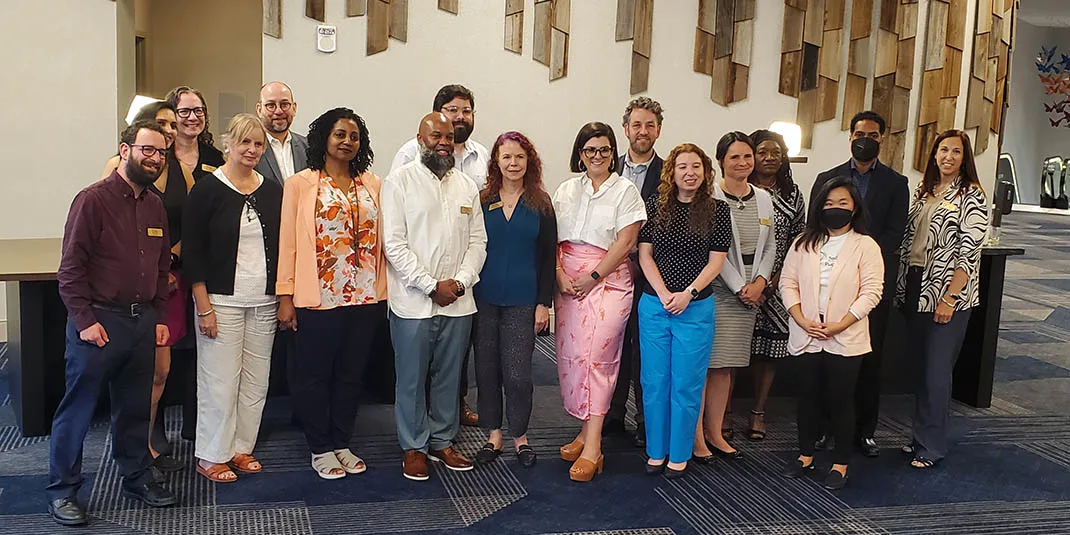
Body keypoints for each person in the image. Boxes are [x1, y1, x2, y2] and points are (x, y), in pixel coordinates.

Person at [48, 121, 179, 526]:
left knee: (135, 408)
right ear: (125, 151)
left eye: (161, 153)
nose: (154, 158)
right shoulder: (92, 200)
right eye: (147, 150)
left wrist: (157, 314)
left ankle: (135, 476)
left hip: (142, 323)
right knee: (80, 409)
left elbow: (161, 267)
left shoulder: (156, 205)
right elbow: (70, 269)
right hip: (99, 323)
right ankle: (63, 490)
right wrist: (84, 321)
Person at [277, 108, 387, 479]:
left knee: (351, 374)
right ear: (324, 137)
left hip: (364, 296)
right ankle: (320, 446)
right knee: (315, 375)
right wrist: (285, 296)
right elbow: (288, 244)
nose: (347, 142)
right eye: (340, 134)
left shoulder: (372, 183)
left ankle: (342, 440)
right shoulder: (301, 184)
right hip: (318, 296)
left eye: (354, 136)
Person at [382, 112, 487, 481]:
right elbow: (393, 245)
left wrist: (458, 283)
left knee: (449, 375)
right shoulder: (399, 182)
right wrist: (430, 285)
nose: (443, 141)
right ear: (420, 138)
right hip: (412, 303)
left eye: (448, 136)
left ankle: (442, 441)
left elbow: (478, 242)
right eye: (435, 136)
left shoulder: (466, 187)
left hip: (459, 302)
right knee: (411, 378)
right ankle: (414, 446)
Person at [183, 114, 283, 483]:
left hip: (263, 301)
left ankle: (240, 447)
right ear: (228, 145)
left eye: (258, 144)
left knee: (256, 381)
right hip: (219, 302)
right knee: (219, 381)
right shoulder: (207, 189)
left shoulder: (272, 190)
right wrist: (203, 306)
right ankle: (211, 454)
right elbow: (192, 254)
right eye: (245, 143)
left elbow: (282, 248)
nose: (252, 150)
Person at [553, 121, 646, 482]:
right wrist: (560, 274)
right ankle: (583, 431)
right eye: (590, 149)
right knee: (574, 359)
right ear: (580, 154)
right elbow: (551, 239)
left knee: (599, 359)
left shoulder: (625, 191)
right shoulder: (565, 190)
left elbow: (625, 242)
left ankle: (594, 446)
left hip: (608, 283)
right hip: (568, 284)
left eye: (604, 149)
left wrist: (592, 278)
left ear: (613, 153)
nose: (597, 156)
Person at [811, 111, 909, 457]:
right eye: (858, 132)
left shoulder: (897, 184)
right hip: (828, 284)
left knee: (869, 358)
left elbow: (896, 233)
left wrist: (861, 260)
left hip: (872, 284)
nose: (864, 138)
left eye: (871, 133)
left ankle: (865, 431)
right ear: (850, 136)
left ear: (882, 138)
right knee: (826, 357)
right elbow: (815, 227)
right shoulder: (828, 177)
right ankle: (823, 429)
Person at [779, 176, 884, 491]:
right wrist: (799, 318)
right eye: (828, 203)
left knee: (840, 399)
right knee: (808, 398)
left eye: (843, 204)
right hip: (806, 331)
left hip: (845, 336)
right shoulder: (803, 242)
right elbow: (787, 283)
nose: (835, 209)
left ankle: (840, 463)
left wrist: (841, 323)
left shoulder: (865, 245)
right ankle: (805, 455)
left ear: (854, 208)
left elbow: (872, 291)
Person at [101, 101, 188, 470]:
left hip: (171, 281)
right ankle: (137, 447)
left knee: (162, 369)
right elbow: (115, 226)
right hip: (137, 283)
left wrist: (168, 261)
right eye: (162, 123)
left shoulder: (181, 169)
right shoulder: (117, 168)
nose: (169, 129)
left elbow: (189, 222)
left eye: (173, 124)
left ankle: (149, 439)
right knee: (140, 371)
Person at [636, 143, 731, 478]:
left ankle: (679, 453)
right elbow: (644, 255)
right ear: (671, 173)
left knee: (686, 384)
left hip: (695, 307)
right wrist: (663, 293)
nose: (689, 173)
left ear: (705, 172)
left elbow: (716, 261)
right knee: (655, 381)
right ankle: (656, 451)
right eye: (682, 167)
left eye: (696, 166)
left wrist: (687, 294)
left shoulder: (718, 211)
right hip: (655, 305)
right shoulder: (653, 206)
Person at [896, 130, 987, 469]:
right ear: (934, 154)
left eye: (956, 151)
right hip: (917, 286)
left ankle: (931, 446)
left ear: (965, 158)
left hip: (948, 293)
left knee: (936, 372)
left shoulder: (971, 195)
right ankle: (919, 437)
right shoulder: (925, 192)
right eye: (943, 149)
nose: (948, 156)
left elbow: (969, 253)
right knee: (921, 370)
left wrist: (950, 298)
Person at [472, 131, 556, 468]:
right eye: (506, 157)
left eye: (519, 157)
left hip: (524, 300)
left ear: (529, 161)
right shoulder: (482, 200)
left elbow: (549, 256)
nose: (513, 163)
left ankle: (520, 436)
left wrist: (543, 303)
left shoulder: (541, 202)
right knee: (487, 370)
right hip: (484, 299)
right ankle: (494, 434)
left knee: (519, 374)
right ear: (496, 162)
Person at [695, 132, 776, 461]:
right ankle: (696, 435)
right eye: (735, 158)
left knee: (725, 368)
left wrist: (760, 281)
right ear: (720, 162)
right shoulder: (710, 197)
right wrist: (740, 286)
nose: (743, 163)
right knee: (702, 366)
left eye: (747, 157)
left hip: (749, 294)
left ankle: (716, 431)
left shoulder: (763, 197)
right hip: (716, 289)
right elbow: (713, 251)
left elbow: (770, 245)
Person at [164, 86, 227, 441]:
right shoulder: (159, 155)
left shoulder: (215, 156)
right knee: (170, 345)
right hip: (168, 264)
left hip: (207, 263)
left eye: (198, 110)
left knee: (202, 346)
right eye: (184, 111)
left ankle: (195, 426)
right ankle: (157, 428)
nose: (192, 117)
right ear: (172, 115)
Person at [607, 97, 665, 448]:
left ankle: (646, 419)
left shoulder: (670, 171)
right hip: (610, 273)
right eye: (636, 125)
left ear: (658, 130)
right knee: (611, 343)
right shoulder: (605, 165)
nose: (642, 131)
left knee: (646, 349)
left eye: (650, 125)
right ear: (625, 129)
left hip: (651, 273)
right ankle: (612, 413)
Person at [743, 129, 806, 441]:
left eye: (775, 153)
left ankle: (758, 412)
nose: (769, 158)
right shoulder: (739, 189)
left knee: (768, 353)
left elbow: (799, 240)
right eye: (762, 152)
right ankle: (723, 413)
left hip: (777, 286)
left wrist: (774, 281)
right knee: (732, 350)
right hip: (738, 283)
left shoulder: (793, 195)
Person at [254, 81, 309, 185]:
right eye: (271, 105)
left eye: (284, 104)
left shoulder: (308, 147)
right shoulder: (250, 150)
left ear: (294, 108)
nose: (278, 111)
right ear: (259, 110)